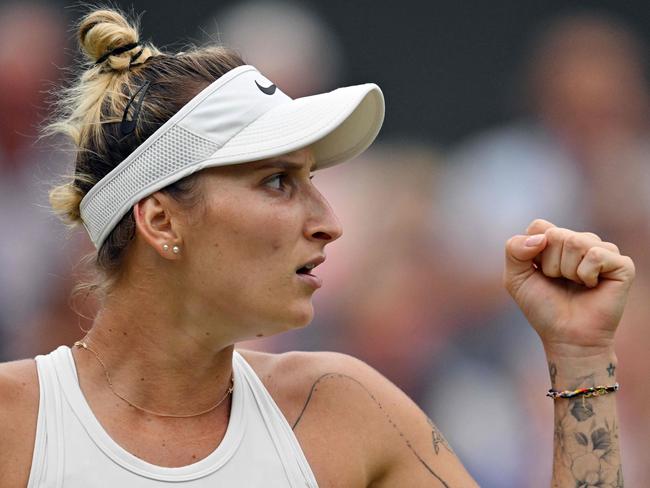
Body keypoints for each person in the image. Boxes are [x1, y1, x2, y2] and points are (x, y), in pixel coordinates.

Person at [0, 9, 633, 487]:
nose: (329, 221)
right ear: (162, 221)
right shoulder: (13, 423)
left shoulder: (347, 408)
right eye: (278, 181)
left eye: (313, 181)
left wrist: (580, 358)